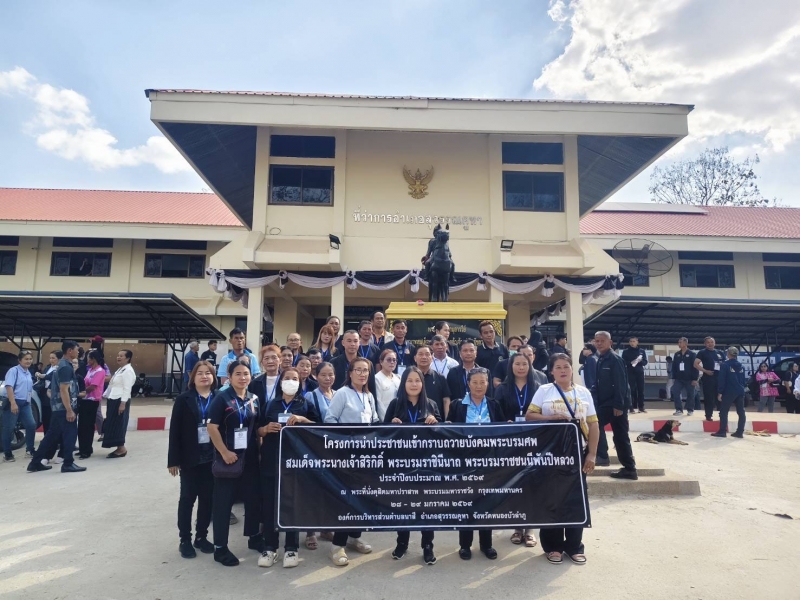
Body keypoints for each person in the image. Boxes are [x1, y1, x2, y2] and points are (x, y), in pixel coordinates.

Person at [527, 353, 599, 565]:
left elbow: (593, 424)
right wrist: (550, 418)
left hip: (577, 454)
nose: (562, 370)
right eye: (558, 367)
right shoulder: (544, 390)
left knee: (575, 499)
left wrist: (592, 454)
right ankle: (553, 546)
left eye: (566, 366)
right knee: (552, 499)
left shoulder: (583, 392)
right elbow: (530, 416)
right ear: (551, 371)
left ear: (572, 369)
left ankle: (574, 546)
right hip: (550, 454)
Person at [257, 367, 320, 568]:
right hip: (271, 461)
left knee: (292, 503)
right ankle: (270, 547)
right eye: (287, 378)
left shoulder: (305, 403)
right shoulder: (270, 404)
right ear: (281, 381)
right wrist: (265, 429)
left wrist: (302, 420)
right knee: (270, 503)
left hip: (295, 462)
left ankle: (291, 547)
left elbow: (318, 428)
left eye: (295, 378)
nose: (291, 381)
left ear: (300, 383)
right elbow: (257, 429)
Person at [207, 359, 262, 567]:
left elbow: (256, 427)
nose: (242, 377)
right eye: (237, 374)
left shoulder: (253, 398)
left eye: (246, 374)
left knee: (253, 499)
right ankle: (220, 548)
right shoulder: (222, 398)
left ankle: (254, 537)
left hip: (250, 458)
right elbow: (212, 427)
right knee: (223, 503)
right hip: (228, 459)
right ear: (229, 377)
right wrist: (224, 452)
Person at [383, 366, 440, 565]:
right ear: (403, 383)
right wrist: (392, 425)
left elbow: (443, 435)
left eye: (417, 380)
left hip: (426, 466)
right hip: (402, 465)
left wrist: (435, 422)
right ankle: (402, 543)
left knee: (427, 507)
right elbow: (383, 433)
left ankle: (428, 545)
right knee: (403, 505)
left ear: (422, 383)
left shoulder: (431, 404)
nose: (414, 384)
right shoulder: (395, 404)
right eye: (409, 380)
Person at [324, 357, 378, 566]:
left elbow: (373, 420)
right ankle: (337, 545)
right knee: (346, 499)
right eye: (359, 370)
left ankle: (355, 537)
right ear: (350, 372)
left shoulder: (369, 396)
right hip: (346, 456)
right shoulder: (342, 393)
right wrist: (345, 439)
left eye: (366, 370)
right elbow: (330, 420)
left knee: (361, 497)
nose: (363, 374)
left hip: (365, 457)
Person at [447, 367, 503, 560]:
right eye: (475, 382)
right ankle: (465, 545)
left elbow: (503, 433)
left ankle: (487, 545)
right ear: (468, 384)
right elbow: (449, 432)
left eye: (483, 382)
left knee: (487, 503)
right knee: (466, 503)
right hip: (464, 463)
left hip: (489, 462)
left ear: (488, 384)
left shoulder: (494, 405)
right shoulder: (457, 405)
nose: (479, 386)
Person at [493, 353, 547, 548]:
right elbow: (496, 414)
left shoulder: (539, 388)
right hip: (511, 442)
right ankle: (517, 527)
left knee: (532, 483)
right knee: (514, 483)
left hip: (534, 440)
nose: (521, 367)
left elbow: (544, 412)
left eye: (525, 363)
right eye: (517, 364)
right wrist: (504, 423)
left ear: (530, 365)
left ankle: (530, 529)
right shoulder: (502, 388)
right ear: (511, 366)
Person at [168, 360, 218, 558]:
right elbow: (175, 430)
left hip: (212, 458)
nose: (204, 376)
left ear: (213, 377)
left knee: (207, 499)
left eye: (208, 373)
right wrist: (173, 460)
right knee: (187, 498)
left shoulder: (219, 398)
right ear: (193, 377)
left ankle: (201, 537)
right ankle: (185, 539)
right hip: (190, 457)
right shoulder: (184, 399)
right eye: (200, 373)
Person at [27, 341, 86, 473]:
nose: (78, 352)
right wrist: (69, 410)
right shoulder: (65, 367)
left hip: (59, 408)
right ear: (69, 351)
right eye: (76, 349)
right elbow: (63, 390)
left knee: (51, 436)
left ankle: (35, 463)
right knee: (70, 434)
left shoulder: (63, 365)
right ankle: (68, 463)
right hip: (64, 408)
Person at [592, 331, 637, 480]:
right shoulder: (601, 359)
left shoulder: (615, 359)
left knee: (595, 424)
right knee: (619, 436)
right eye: (597, 341)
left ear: (610, 343)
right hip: (605, 402)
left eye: (602, 341)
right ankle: (629, 468)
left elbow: (621, 383)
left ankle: (603, 456)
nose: (599, 343)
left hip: (615, 404)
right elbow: (599, 383)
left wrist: (619, 405)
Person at [2, 350, 36, 462]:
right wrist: (13, 403)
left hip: (25, 404)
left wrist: (28, 401)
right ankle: (7, 453)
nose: (28, 361)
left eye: (30, 359)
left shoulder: (28, 372)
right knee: (9, 428)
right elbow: (9, 387)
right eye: (26, 359)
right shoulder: (13, 371)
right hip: (14, 402)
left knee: (31, 425)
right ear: (19, 360)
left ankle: (30, 450)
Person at [102, 350, 136, 459]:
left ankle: (121, 448)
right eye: (118, 355)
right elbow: (112, 384)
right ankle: (118, 447)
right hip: (113, 398)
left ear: (128, 358)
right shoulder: (120, 369)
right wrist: (106, 394)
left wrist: (123, 404)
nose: (118, 357)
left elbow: (127, 388)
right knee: (112, 423)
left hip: (120, 400)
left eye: (121, 356)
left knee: (119, 423)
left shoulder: (128, 371)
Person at [331, 331, 377, 397]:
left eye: (355, 341)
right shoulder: (333, 362)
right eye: (349, 341)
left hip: (361, 399)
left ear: (359, 343)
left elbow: (372, 388)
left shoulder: (367, 364)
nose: (352, 344)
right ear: (343, 343)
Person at [77, 350, 105, 459]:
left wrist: (81, 392)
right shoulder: (90, 370)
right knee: (82, 426)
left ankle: (86, 450)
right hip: (85, 400)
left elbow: (93, 386)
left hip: (92, 401)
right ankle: (82, 448)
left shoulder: (100, 371)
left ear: (94, 359)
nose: (87, 360)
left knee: (88, 426)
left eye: (89, 358)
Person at [713, 347, 746, 438]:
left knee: (723, 411)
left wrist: (720, 392)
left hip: (729, 391)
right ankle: (740, 432)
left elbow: (722, 380)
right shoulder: (742, 366)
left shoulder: (725, 365)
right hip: (740, 391)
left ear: (728, 354)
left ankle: (722, 431)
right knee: (741, 412)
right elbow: (743, 380)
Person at [414, 345, 452, 419]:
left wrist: (447, 419)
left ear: (432, 358)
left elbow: (446, 400)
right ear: (415, 358)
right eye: (420, 354)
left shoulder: (440, 377)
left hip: (436, 420)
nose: (424, 357)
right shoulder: (409, 377)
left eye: (427, 354)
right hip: (413, 419)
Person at [695, 337, 725, 422]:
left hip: (719, 378)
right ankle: (708, 415)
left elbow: (725, 363)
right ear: (705, 344)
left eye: (712, 342)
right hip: (708, 378)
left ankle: (722, 414)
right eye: (708, 342)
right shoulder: (702, 352)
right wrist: (705, 371)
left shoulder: (720, 352)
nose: (710, 344)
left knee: (721, 397)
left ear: (714, 343)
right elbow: (695, 364)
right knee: (709, 398)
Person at [671, 337, 699, 416]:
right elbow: (674, 366)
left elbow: (695, 367)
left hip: (689, 378)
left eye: (680, 342)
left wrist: (695, 379)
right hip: (679, 378)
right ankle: (679, 409)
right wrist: (674, 377)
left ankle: (690, 410)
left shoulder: (692, 354)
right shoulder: (677, 354)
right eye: (678, 342)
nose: (679, 344)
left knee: (690, 394)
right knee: (675, 392)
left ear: (686, 343)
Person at [621, 337, 648, 414]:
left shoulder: (642, 351)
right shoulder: (626, 351)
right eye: (631, 341)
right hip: (630, 372)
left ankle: (641, 407)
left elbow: (645, 362)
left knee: (641, 390)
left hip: (640, 372)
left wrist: (640, 361)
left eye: (634, 341)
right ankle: (631, 407)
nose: (632, 343)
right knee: (631, 390)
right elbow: (623, 362)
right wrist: (631, 362)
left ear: (637, 342)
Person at [447, 340, 478, 404]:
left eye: (471, 350)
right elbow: (449, 395)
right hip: (458, 407)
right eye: (465, 350)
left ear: (476, 353)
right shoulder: (453, 372)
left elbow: (489, 396)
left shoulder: (484, 372)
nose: (468, 353)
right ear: (460, 354)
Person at [374, 349, 401, 420]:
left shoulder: (398, 378)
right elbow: (378, 402)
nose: (392, 362)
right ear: (381, 362)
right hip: (385, 417)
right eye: (389, 360)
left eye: (394, 360)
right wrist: (386, 420)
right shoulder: (377, 379)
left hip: (398, 417)